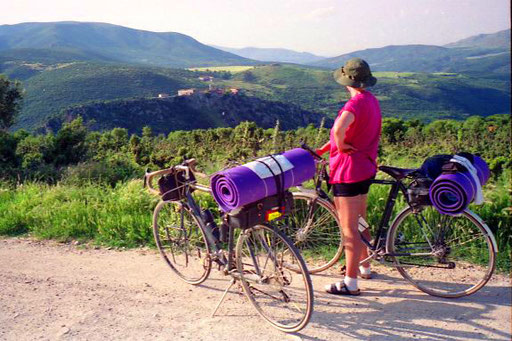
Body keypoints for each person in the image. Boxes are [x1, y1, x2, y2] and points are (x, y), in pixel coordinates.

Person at [316, 58, 382, 295]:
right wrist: (324, 149)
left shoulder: (352, 106)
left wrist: (341, 147)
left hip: (348, 172)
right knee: (360, 220)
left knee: (348, 229)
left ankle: (350, 282)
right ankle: (364, 266)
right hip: (365, 169)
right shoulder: (371, 101)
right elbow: (342, 135)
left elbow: (338, 130)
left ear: (347, 81)